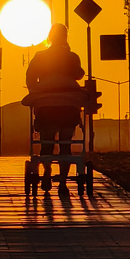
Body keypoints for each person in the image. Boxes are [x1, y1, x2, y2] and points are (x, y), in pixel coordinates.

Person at [25, 23, 85, 191]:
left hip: (46, 108)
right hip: (68, 108)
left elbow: (30, 77)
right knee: (66, 145)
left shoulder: (40, 56)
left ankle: (46, 172)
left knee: (47, 144)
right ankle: (63, 183)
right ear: (65, 36)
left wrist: (36, 94)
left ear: (49, 36)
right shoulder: (72, 57)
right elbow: (79, 74)